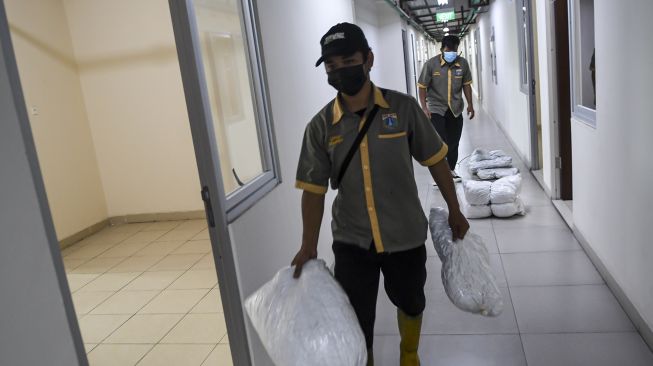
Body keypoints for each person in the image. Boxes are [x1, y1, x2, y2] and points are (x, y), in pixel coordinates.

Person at [291, 23, 469, 366]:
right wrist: (308, 244)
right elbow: (313, 191)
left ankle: (409, 353)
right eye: (331, 66)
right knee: (356, 318)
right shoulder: (321, 125)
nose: (340, 71)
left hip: (403, 233)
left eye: (348, 60)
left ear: (368, 59)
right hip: (352, 239)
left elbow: (436, 160)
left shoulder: (402, 109)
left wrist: (455, 210)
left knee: (412, 301)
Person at [418, 35, 475, 183]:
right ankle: (440, 175)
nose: (451, 53)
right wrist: (424, 107)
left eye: (454, 50)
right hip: (436, 108)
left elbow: (466, 85)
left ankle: (451, 170)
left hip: (455, 108)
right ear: (442, 49)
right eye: (448, 50)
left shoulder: (462, 64)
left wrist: (470, 104)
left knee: (454, 141)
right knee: (439, 141)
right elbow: (422, 87)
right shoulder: (431, 65)